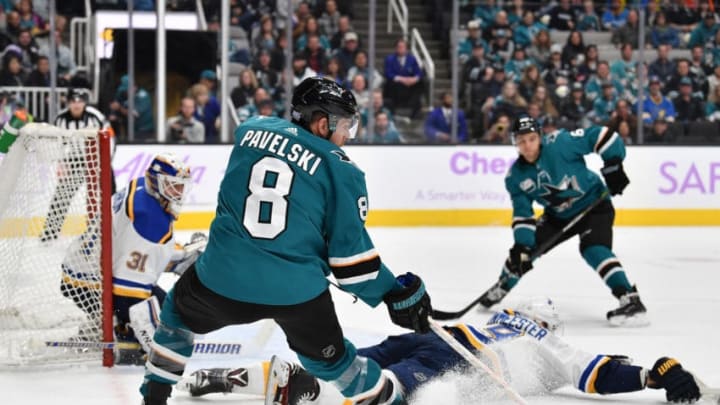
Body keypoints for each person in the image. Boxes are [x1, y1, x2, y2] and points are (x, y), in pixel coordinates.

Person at [138, 77, 432, 405]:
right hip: (297, 295)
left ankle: (153, 397)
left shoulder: (249, 131)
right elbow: (352, 267)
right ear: (322, 123)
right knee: (336, 363)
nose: (347, 134)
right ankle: (392, 403)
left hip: (222, 278)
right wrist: (394, 293)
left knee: (177, 313)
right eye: (345, 125)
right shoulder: (343, 171)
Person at [179, 297, 702, 405]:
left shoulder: (496, 319)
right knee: (388, 391)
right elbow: (599, 372)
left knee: (348, 362)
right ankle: (318, 392)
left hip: (440, 335)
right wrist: (653, 375)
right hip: (458, 359)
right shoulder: (541, 338)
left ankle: (250, 376)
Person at [476, 116, 648, 327]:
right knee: (523, 253)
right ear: (515, 143)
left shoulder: (560, 143)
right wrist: (522, 243)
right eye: (521, 141)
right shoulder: (516, 177)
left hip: (594, 205)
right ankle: (501, 286)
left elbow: (602, 136)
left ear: (540, 137)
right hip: (557, 215)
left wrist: (613, 164)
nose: (527, 145)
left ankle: (629, 298)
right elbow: (523, 214)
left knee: (594, 249)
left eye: (531, 139)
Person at [59, 153, 203, 364]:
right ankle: (119, 329)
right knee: (172, 315)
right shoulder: (150, 220)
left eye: (181, 187)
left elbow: (130, 248)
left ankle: (105, 318)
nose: (179, 194)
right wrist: (157, 344)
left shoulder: (141, 185)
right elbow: (130, 292)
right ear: (158, 182)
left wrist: (178, 257)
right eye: (173, 186)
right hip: (93, 287)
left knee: (165, 303)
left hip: (79, 270)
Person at [40, 89, 115, 242]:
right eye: (73, 101)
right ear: (68, 103)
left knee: (110, 195)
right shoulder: (60, 119)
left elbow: (110, 137)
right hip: (74, 161)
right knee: (62, 196)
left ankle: (114, 228)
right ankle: (50, 232)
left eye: (80, 101)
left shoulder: (96, 116)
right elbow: (58, 144)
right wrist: (61, 163)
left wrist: (107, 161)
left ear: (84, 103)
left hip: (98, 160)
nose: (76, 105)